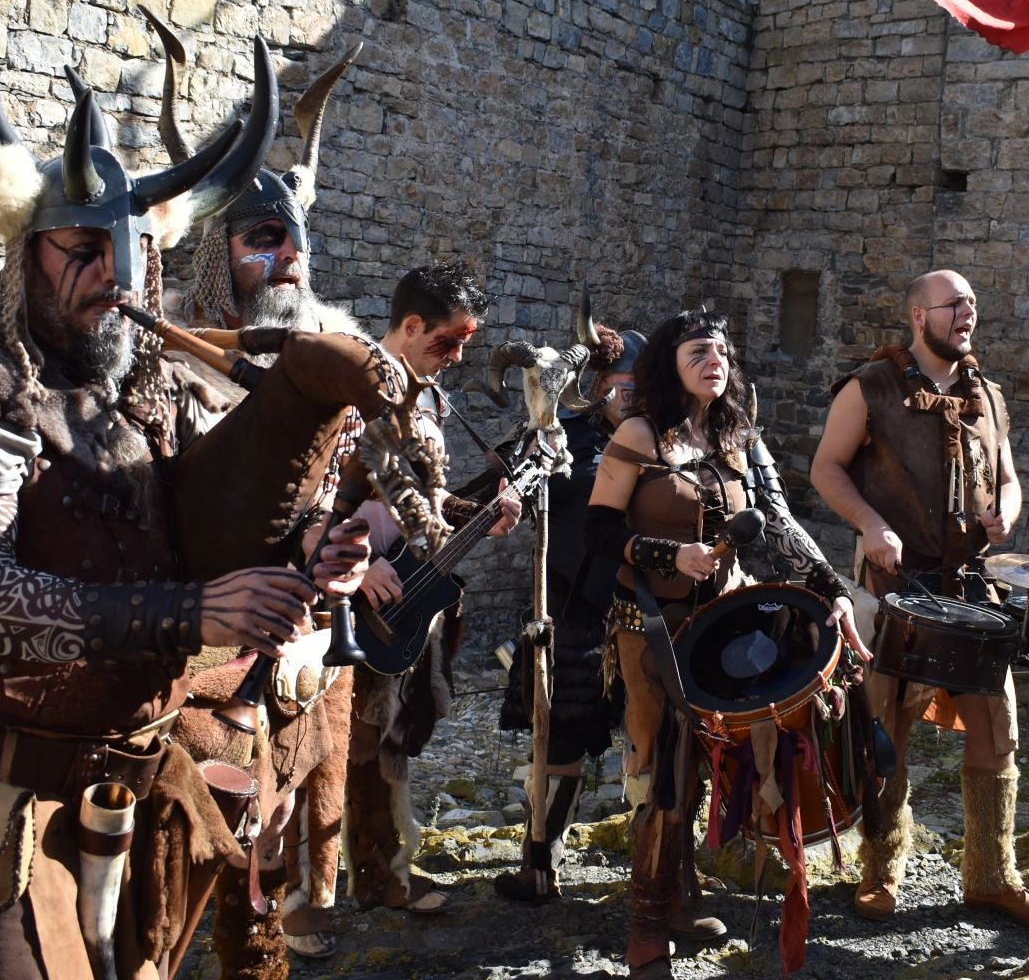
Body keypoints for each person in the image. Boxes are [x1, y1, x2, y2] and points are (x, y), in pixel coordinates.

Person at [0, 0, 373, 979]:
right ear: (21, 250)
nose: (111, 277)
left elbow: (202, 525)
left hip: (132, 785)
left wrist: (308, 547)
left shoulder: (152, 390)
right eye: (79, 248)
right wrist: (193, 613)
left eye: (130, 252)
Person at [163, 43, 372, 976]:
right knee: (163, 878)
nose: (288, 261)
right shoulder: (163, 361)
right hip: (184, 651)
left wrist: (358, 546)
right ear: (219, 252)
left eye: (295, 244)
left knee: (271, 866)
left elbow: (370, 492)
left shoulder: (336, 357)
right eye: (261, 242)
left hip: (303, 652)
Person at [587, 307, 868, 980]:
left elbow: (774, 523)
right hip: (648, 626)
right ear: (668, 363)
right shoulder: (639, 432)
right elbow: (596, 533)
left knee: (707, 765)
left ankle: (681, 894)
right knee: (661, 776)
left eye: (721, 350)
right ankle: (646, 929)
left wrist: (831, 587)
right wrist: (665, 552)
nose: (714, 359)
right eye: (697, 351)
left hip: (720, 624)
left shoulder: (732, 437)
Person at [810, 269, 1029, 928]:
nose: (967, 314)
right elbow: (826, 468)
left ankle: (991, 878)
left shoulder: (991, 396)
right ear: (919, 317)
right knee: (886, 726)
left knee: (996, 728)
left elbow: (1009, 480)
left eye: (973, 304)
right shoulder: (872, 387)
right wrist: (871, 524)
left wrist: (1006, 512)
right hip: (896, 587)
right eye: (954, 305)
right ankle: (881, 869)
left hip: (973, 587)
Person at [344, 263, 523, 915]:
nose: (456, 356)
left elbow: (421, 498)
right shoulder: (351, 388)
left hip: (409, 592)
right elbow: (308, 497)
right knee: (349, 741)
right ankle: (339, 887)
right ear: (411, 325)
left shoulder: (427, 397)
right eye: (447, 342)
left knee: (392, 735)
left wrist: (483, 515)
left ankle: (385, 870)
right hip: (344, 594)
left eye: (464, 344)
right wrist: (355, 561)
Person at [493, 325, 644, 903]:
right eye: (627, 386)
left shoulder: (660, 438)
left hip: (638, 602)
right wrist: (532, 460)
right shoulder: (563, 433)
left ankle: (653, 869)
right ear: (600, 385)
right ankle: (540, 863)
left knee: (650, 737)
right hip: (571, 604)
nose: (635, 398)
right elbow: (522, 481)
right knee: (558, 738)